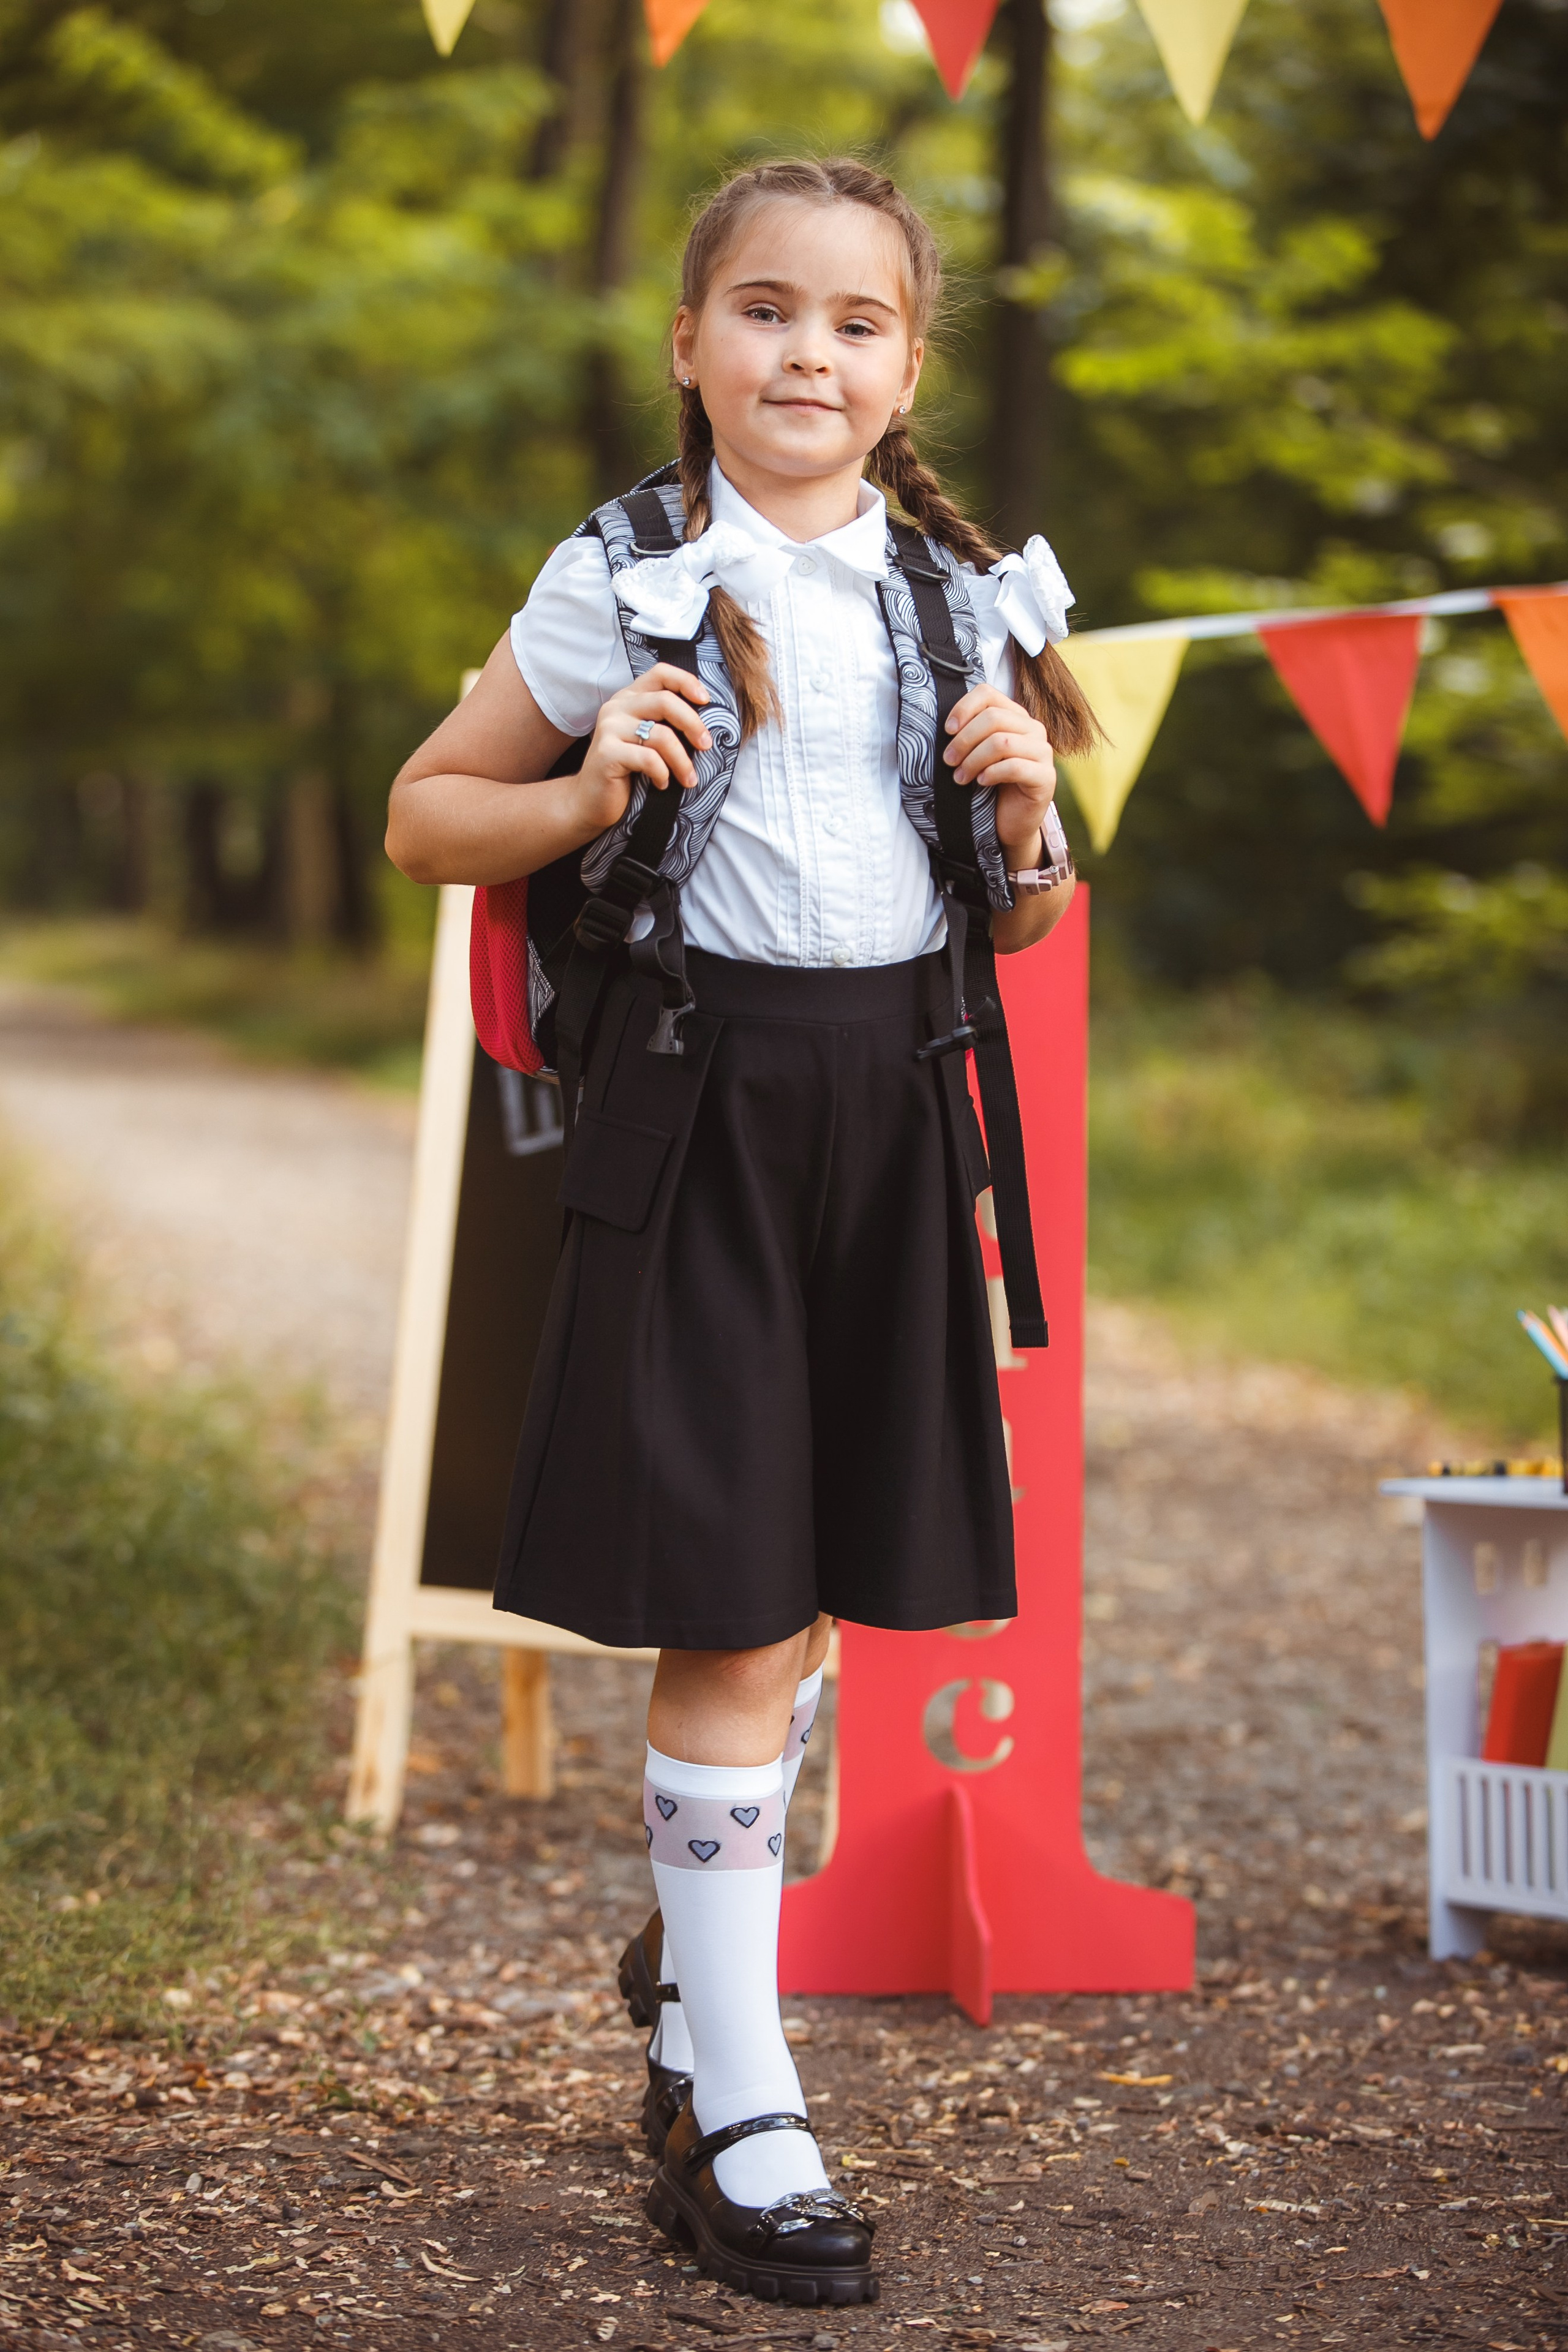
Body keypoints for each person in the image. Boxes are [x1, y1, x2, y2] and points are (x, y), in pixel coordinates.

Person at [385, 156, 1096, 2310]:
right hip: (695, 1110)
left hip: (888, 1117)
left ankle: (697, 1987)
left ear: (905, 371)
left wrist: (1033, 816)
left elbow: (1037, 908)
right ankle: (745, 2099)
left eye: (856, 322)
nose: (810, 351)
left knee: (803, 1604)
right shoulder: (621, 579)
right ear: (691, 346)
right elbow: (431, 813)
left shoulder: (970, 605)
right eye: (765, 312)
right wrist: (592, 781)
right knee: (730, 1593)